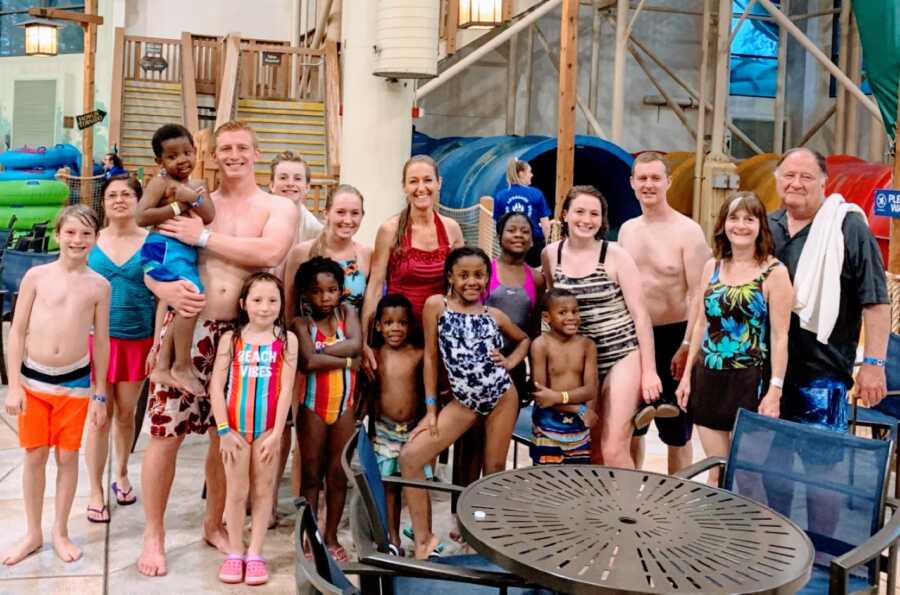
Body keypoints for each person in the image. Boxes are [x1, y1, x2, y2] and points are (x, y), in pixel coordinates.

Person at [137, 120, 297, 577]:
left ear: (256, 151)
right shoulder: (193, 199)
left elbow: (270, 251)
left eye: (242, 147)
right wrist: (160, 291)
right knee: (165, 434)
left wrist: (203, 237)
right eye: (225, 147)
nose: (234, 155)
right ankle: (154, 534)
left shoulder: (276, 206)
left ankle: (214, 523)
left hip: (243, 336)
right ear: (213, 152)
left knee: (224, 436)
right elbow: (155, 257)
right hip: (189, 326)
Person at [400, 246, 529, 559]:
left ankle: (484, 536)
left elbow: (524, 339)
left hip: (501, 396)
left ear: (487, 278)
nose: (472, 281)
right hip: (464, 402)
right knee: (410, 458)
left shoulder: (493, 315)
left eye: (479, 275)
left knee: (494, 468)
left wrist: (510, 362)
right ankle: (425, 539)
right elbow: (430, 358)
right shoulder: (436, 306)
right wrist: (431, 411)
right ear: (450, 277)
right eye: (464, 275)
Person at [1, 205, 110, 565]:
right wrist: (13, 385)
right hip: (34, 380)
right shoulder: (36, 276)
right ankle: (33, 532)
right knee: (35, 456)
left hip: (75, 384)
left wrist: (99, 393)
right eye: (71, 232)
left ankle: (60, 530)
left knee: (67, 457)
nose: (77, 240)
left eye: (86, 233)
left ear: (96, 238)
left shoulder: (99, 285)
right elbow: (16, 332)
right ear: (58, 234)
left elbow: (102, 342)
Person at [675, 192, 792, 485]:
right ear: (723, 224)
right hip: (709, 378)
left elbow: (780, 337)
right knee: (718, 473)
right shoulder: (712, 267)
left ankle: (752, 531)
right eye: (734, 218)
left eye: (749, 219)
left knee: (747, 475)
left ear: (760, 226)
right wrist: (687, 376)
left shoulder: (774, 272)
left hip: (750, 382)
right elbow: (701, 322)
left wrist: (775, 390)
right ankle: (719, 530)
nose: (740, 226)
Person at [541, 185, 661, 468]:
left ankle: (628, 510)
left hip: (621, 354)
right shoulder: (551, 255)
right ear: (566, 214)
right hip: (581, 361)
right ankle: (598, 510)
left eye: (594, 214)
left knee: (614, 447)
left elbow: (641, 316)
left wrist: (649, 371)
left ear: (602, 219)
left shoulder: (615, 255)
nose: (586, 220)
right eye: (579, 211)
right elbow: (551, 309)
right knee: (589, 445)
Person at [769, 147, 889, 426]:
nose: (796, 183)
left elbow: (876, 301)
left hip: (824, 374)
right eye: (789, 175)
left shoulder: (848, 228)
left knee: (821, 464)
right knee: (766, 463)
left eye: (806, 177)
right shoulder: (766, 227)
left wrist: (874, 364)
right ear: (777, 180)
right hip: (769, 375)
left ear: (824, 182)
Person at [619, 152, 711, 474]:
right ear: (632, 183)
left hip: (675, 335)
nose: (649, 185)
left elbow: (698, 294)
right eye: (642, 178)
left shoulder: (688, 231)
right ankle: (631, 498)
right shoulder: (627, 231)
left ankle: (676, 499)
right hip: (634, 337)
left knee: (677, 431)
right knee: (633, 425)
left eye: (655, 178)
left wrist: (688, 346)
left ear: (669, 182)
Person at [208, 272, 298, 586]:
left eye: (272, 300)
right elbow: (216, 387)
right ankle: (235, 552)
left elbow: (286, 391)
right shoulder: (230, 340)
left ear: (281, 304)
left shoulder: (287, 340)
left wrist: (276, 434)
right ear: (244, 304)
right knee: (236, 493)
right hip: (234, 431)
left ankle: (256, 553)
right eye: (257, 300)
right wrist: (223, 431)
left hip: (266, 432)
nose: (265, 307)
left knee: (263, 492)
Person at [84, 175, 155, 522]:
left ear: (138, 200)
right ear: (103, 203)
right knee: (98, 418)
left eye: (127, 194)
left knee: (126, 414)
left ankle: (122, 472)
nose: (119, 200)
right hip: (95, 341)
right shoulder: (90, 240)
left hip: (138, 340)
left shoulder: (152, 241)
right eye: (112, 195)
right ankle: (95, 490)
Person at [361, 155, 465, 373]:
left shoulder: (451, 228)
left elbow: (461, 287)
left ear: (439, 183)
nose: (421, 188)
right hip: (399, 335)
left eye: (427, 180)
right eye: (413, 181)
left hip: (438, 334)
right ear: (404, 187)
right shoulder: (389, 230)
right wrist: (364, 341)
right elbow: (375, 287)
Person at [137, 124, 216, 396]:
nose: (182, 160)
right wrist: (176, 207)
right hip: (161, 248)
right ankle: (180, 365)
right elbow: (141, 216)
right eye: (172, 156)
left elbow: (209, 215)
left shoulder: (196, 185)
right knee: (193, 296)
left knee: (183, 303)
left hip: (178, 252)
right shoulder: (161, 182)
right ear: (160, 161)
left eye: (187, 152)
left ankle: (162, 364)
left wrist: (192, 197)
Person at [293, 257, 361, 562]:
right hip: (312, 407)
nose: (325, 297)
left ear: (341, 290)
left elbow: (357, 345)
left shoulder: (348, 313)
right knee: (310, 476)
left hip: (344, 407)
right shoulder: (300, 324)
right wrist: (346, 361)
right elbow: (308, 362)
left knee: (336, 475)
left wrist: (322, 352)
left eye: (332, 290)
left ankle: (331, 535)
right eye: (317, 292)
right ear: (306, 294)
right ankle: (310, 535)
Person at [369, 293, 429, 551]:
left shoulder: (419, 354)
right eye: (389, 322)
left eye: (402, 323)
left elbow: (429, 391)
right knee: (390, 487)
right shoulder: (374, 355)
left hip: (415, 430)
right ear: (379, 326)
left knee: (417, 485)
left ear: (411, 325)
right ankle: (393, 537)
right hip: (384, 431)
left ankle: (423, 536)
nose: (396, 328)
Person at [530, 288, 599, 464]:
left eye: (575, 311)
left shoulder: (587, 346)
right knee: (546, 482)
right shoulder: (540, 345)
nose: (571, 317)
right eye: (562, 312)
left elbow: (590, 390)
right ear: (547, 317)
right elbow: (542, 396)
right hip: (547, 428)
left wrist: (557, 397)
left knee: (576, 481)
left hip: (579, 430)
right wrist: (579, 409)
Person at [285, 184, 371, 314]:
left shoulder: (367, 254)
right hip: (307, 333)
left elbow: (368, 307)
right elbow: (289, 306)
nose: (348, 220)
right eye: (340, 212)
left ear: (362, 216)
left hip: (353, 333)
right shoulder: (301, 253)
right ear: (326, 213)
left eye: (355, 213)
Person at [493, 158, 551, 267]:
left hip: (510, 242)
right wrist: (547, 243)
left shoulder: (500, 196)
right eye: (530, 172)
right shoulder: (536, 194)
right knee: (534, 275)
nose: (532, 175)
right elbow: (545, 224)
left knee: (512, 272)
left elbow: (497, 224)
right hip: (534, 243)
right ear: (521, 173)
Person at [269, 150, 323, 245]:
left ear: (307, 187)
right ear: (272, 185)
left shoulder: (315, 231)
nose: (290, 183)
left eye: (297, 179)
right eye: (283, 178)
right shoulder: (257, 219)